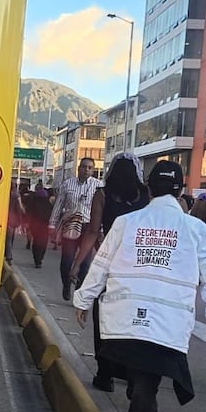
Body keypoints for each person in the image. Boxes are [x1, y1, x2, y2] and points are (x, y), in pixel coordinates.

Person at [74, 160, 206, 412]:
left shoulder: (127, 222)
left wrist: (84, 298)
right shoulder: (197, 229)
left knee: (141, 375)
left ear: (148, 188)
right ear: (181, 191)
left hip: (123, 313)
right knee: (148, 377)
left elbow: (101, 264)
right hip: (168, 319)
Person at [71, 153, 149, 392]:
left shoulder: (102, 195)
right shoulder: (145, 195)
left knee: (104, 317)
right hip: (140, 266)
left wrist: (77, 264)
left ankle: (105, 373)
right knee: (133, 319)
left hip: (111, 265)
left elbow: (93, 231)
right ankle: (130, 370)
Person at [49, 158, 101, 300]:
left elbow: (101, 209)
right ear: (79, 168)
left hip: (89, 228)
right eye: (84, 167)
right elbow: (58, 206)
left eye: (90, 167)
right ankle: (66, 285)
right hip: (70, 225)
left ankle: (78, 290)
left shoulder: (98, 186)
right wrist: (52, 224)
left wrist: (100, 229)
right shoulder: (67, 184)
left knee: (85, 262)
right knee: (67, 259)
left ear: (93, 170)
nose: (86, 170)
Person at [23, 182, 53, 268]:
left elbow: (29, 212)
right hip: (45, 226)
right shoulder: (48, 205)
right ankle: (40, 259)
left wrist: (27, 222)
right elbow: (51, 215)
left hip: (35, 225)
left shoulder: (33, 202)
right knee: (43, 243)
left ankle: (37, 259)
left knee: (36, 242)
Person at [5, 180, 23, 263]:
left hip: (2, 218)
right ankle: (9, 256)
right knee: (9, 239)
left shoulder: (4, 194)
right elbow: (19, 208)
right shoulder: (16, 195)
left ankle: (4, 254)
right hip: (11, 220)